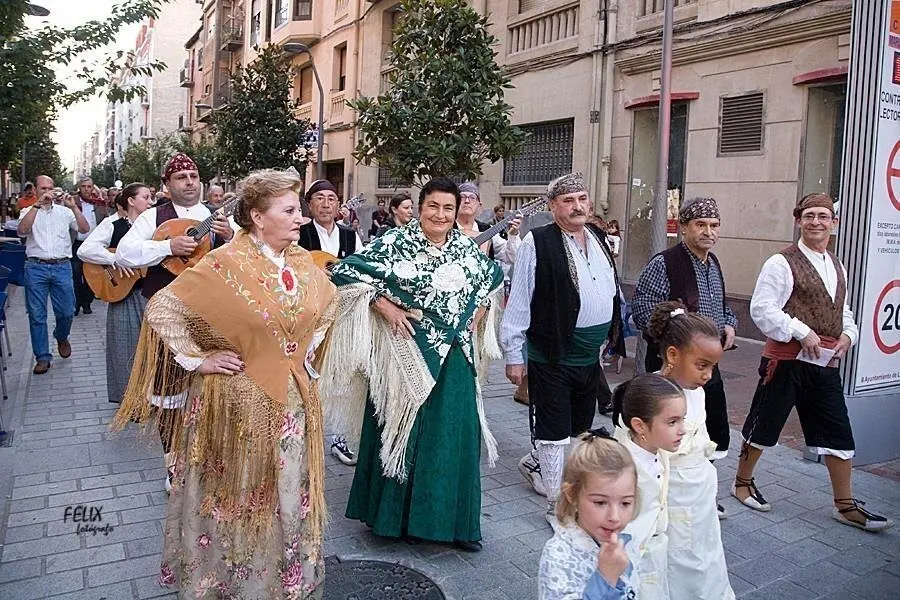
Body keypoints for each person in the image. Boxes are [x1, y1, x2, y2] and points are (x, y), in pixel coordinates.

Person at [112, 168, 336, 598]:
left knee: (286, 493)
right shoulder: (223, 263)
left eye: (299, 210)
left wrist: (304, 353)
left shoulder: (302, 262)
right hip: (233, 405)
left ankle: (284, 582)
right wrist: (197, 360)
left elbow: (328, 306)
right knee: (238, 496)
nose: (300, 219)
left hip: (291, 404)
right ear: (256, 216)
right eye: (289, 210)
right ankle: (231, 584)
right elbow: (162, 309)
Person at [321, 177, 504, 553]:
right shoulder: (394, 243)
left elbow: (490, 279)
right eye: (433, 206)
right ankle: (392, 521)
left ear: (457, 213)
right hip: (402, 356)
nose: (440, 214)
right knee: (403, 433)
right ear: (420, 208)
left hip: (454, 358)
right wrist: (381, 303)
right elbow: (344, 272)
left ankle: (452, 525)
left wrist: (483, 305)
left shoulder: (466, 250)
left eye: (448, 208)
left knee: (452, 439)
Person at [735, 193, 893, 532]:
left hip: (823, 364)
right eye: (809, 216)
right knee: (765, 423)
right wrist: (800, 330)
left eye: (823, 216)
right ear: (799, 221)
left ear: (834, 223)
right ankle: (742, 483)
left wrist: (849, 335)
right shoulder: (781, 262)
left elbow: (841, 310)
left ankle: (845, 504)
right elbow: (761, 309)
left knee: (837, 430)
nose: (816, 222)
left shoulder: (837, 265)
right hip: (786, 360)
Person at [500, 172, 623, 524]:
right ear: (553, 206)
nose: (577, 206)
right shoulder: (536, 242)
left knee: (579, 429)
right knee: (554, 432)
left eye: (582, 198)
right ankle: (558, 508)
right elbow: (520, 301)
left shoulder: (598, 236)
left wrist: (610, 338)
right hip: (551, 353)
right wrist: (513, 355)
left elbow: (609, 288)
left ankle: (539, 464)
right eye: (568, 200)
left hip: (589, 355)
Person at [116, 153, 234, 492]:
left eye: (194, 175)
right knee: (168, 390)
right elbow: (124, 254)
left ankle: (208, 461)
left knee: (211, 387)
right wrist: (168, 246)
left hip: (210, 315)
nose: (190, 182)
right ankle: (172, 464)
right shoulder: (153, 216)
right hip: (166, 316)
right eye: (181, 177)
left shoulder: (216, 218)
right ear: (167, 185)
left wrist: (229, 238)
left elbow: (245, 258)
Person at [632, 197, 736, 517]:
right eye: (700, 225)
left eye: (714, 225)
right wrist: (678, 336)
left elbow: (721, 306)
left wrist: (730, 323)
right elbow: (643, 308)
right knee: (669, 429)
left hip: (706, 365)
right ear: (684, 228)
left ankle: (701, 489)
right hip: (673, 366)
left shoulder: (713, 262)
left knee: (709, 428)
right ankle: (661, 493)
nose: (708, 232)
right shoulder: (665, 262)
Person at [645, 302, 735, 599]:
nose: (709, 375)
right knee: (679, 559)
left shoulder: (698, 393)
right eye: (702, 365)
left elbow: (702, 435)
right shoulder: (652, 395)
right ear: (673, 354)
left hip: (699, 492)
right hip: (672, 493)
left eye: (713, 366)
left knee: (705, 553)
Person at [296, 178, 362, 465]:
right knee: (309, 371)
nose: (325, 203)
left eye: (331, 198)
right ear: (309, 204)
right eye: (319, 198)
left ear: (338, 205)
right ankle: (305, 432)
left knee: (344, 373)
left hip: (344, 311)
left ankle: (340, 437)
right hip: (308, 313)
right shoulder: (299, 233)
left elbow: (361, 269)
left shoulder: (350, 236)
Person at [77, 183, 153, 404]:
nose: (150, 202)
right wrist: (116, 259)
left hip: (150, 292)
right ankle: (129, 401)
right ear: (131, 201)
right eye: (146, 197)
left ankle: (151, 397)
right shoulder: (112, 224)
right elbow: (85, 250)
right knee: (124, 348)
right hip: (124, 294)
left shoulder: (155, 225)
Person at [538, 431, 637, 600]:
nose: (615, 516)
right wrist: (605, 579)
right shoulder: (559, 555)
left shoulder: (620, 540)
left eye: (625, 503)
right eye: (600, 503)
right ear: (572, 494)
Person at [612, 374, 684, 600]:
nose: (683, 429)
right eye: (672, 422)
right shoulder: (622, 469)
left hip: (653, 552)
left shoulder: (658, 452)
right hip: (627, 561)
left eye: (683, 419)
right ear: (639, 425)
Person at [17, 176, 90, 374]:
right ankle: (42, 357)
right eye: (43, 188)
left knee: (67, 311)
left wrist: (74, 207)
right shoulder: (27, 211)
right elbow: (22, 231)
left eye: (50, 188)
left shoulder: (65, 212)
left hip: (61, 266)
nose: (47, 192)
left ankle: (61, 335)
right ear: (36, 190)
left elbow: (84, 230)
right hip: (36, 267)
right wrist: (37, 206)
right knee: (37, 315)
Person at [71, 176, 104, 316]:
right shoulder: (72, 201)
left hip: (93, 244)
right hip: (77, 243)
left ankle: (87, 302)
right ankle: (76, 303)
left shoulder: (98, 203)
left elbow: (104, 221)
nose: (86, 189)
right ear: (79, 187)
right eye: (84, 186)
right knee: (75, 274)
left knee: (92, 275)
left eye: (89, 186)